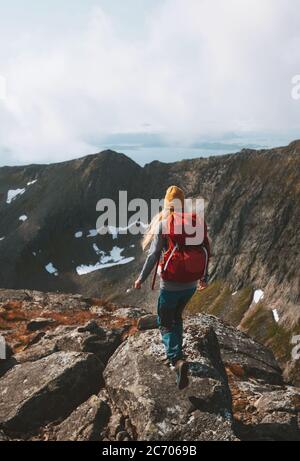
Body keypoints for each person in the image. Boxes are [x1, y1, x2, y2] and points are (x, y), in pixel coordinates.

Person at [134, 186, 210, 390]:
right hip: (191, 284)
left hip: (170, 284)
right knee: (177, 316)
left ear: (167, 204)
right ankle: (178, 352)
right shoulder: (196, 222)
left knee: (165, 322)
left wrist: (141, 278)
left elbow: (153, 256)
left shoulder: (163, 224)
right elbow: (206, 250)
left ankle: (176, 360)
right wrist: (204, 278)